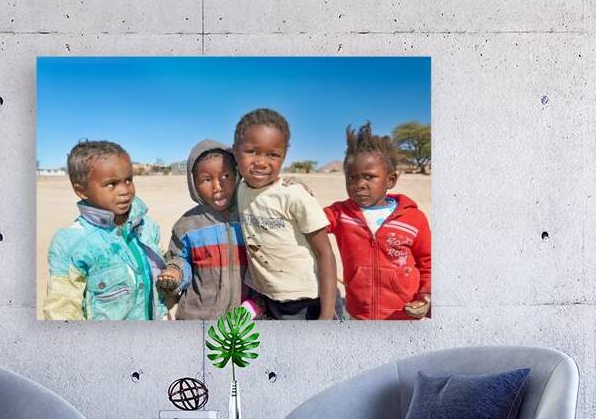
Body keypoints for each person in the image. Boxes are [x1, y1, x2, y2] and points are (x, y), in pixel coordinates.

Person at [44, 140, 167, 320]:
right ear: (82, 191)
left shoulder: (146, 226)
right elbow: (62, 309)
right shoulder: (72, 243)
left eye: (128, 180)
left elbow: (159, 274)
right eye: (112, 184)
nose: (125, 190)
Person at [234, 108, 336, 320]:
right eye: (252, 151)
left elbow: (325, 253)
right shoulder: (240, 188)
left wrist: (326, 316)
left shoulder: (294, 195)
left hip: (303, 302)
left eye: (273, 155)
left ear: (284, 157)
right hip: (265, 296)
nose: (261, 162)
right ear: (235, 152)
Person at [324, 122, 431, 320]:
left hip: (404, 315)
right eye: (352, 178)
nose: (359, 185)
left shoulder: (414, 219)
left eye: (369, 177)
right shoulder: (340, 213)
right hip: (359, 314)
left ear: (390, 180)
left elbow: (428, 262)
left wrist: (426, 295)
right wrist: (299, 193)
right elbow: (310, 220)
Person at [156, 140, 247, 320]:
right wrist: (175, 272)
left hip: (246, 316)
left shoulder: (249, 215)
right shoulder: (187, 225)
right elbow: (179, 259)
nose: (217, 187)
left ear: (237, 175)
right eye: (206, 180)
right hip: (198, 317)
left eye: (225, 176)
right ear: (194, 184)